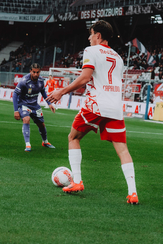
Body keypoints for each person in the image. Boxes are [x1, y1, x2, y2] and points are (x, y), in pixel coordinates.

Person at [48, 20, 139, 205]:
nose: (89, 38)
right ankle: (133, 193)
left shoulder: (91, 51)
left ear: (98, 35)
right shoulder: (118, 57)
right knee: (123, 150)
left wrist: (61, 92)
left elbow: (85, 78)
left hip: (96, 105)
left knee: (73, 138)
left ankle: (77, 182)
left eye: (90, 34)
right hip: (115, 108)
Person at [12, 63, 56, 152]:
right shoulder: (24, 81)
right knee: (26, 119)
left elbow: (43, 92)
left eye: (38, 72)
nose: (36, 74)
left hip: (35, 105)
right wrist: (16, 110)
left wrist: (49, 103)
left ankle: (45, 142)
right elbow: (15, 94)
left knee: (41, 124)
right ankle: (28, 145)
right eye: (34, 72)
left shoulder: (41, 80)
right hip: (24, 104)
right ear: (30, 71)